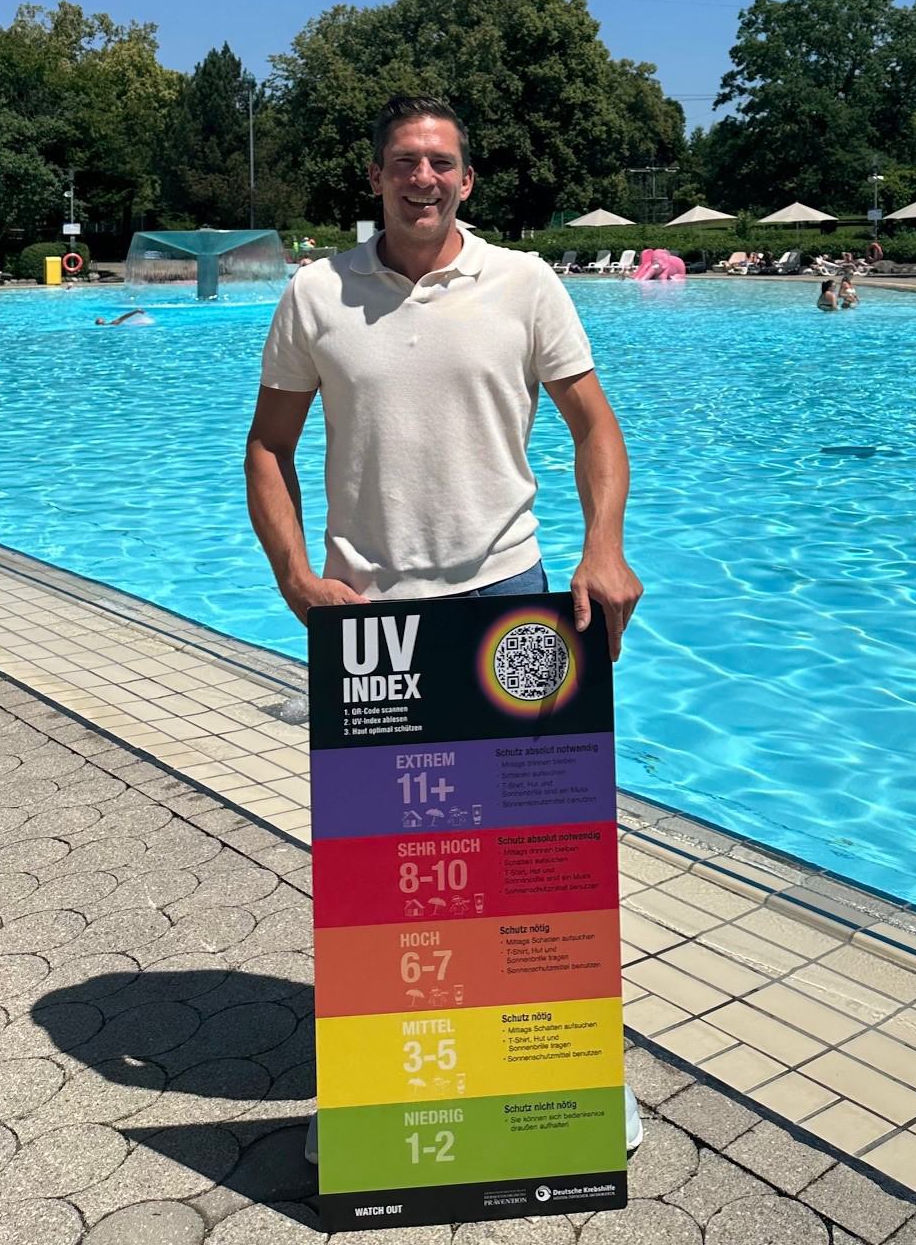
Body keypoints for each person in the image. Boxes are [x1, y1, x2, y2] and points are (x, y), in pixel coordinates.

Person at [245, 93, 645, 1152]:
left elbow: (595, 427)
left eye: (440, 162)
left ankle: (564, 1069)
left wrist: (603, 546)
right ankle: (381, 1092)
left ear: (467, 179)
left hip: (510, 598)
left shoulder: (526, 282)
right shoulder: (316, 293)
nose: (422, 177)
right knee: (393, 868)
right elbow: (267, 448)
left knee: (533, 854)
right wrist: (295, 577)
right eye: (403, 161)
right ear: (375, 176)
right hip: (371, 616)